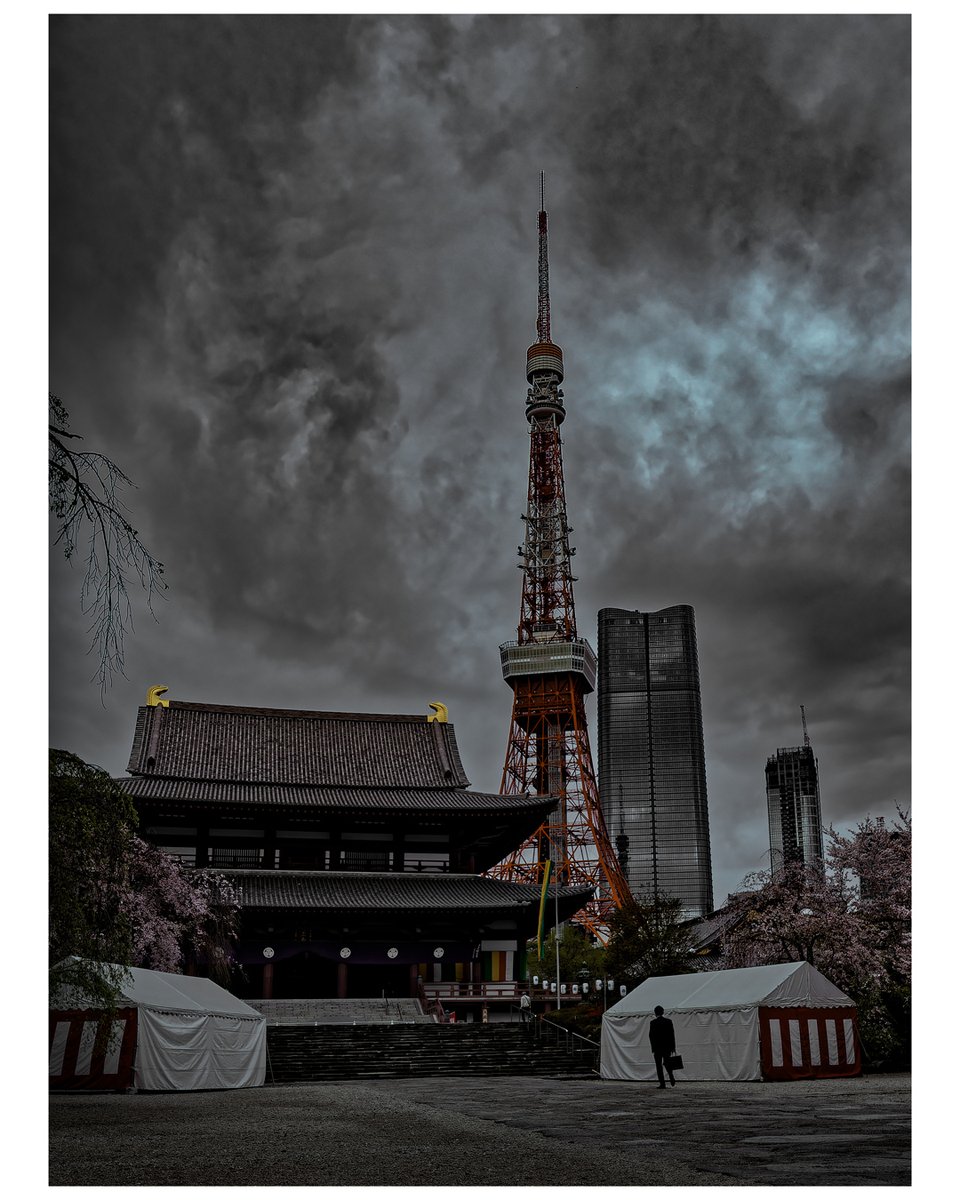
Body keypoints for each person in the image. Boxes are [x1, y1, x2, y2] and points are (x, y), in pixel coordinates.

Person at [649, 1005, 677, 1088]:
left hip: (657, 1048)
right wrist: (673, 1047)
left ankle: (662, 1083)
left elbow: (651, 1036)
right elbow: (672, 1035)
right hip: (667, 1047)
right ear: (663, 1012)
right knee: (667, 1062)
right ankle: (671, 1075)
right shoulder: (668, 1022)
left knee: (659, 1065)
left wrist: (653, 1047)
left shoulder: (653, 1023)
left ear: (655, 1013)